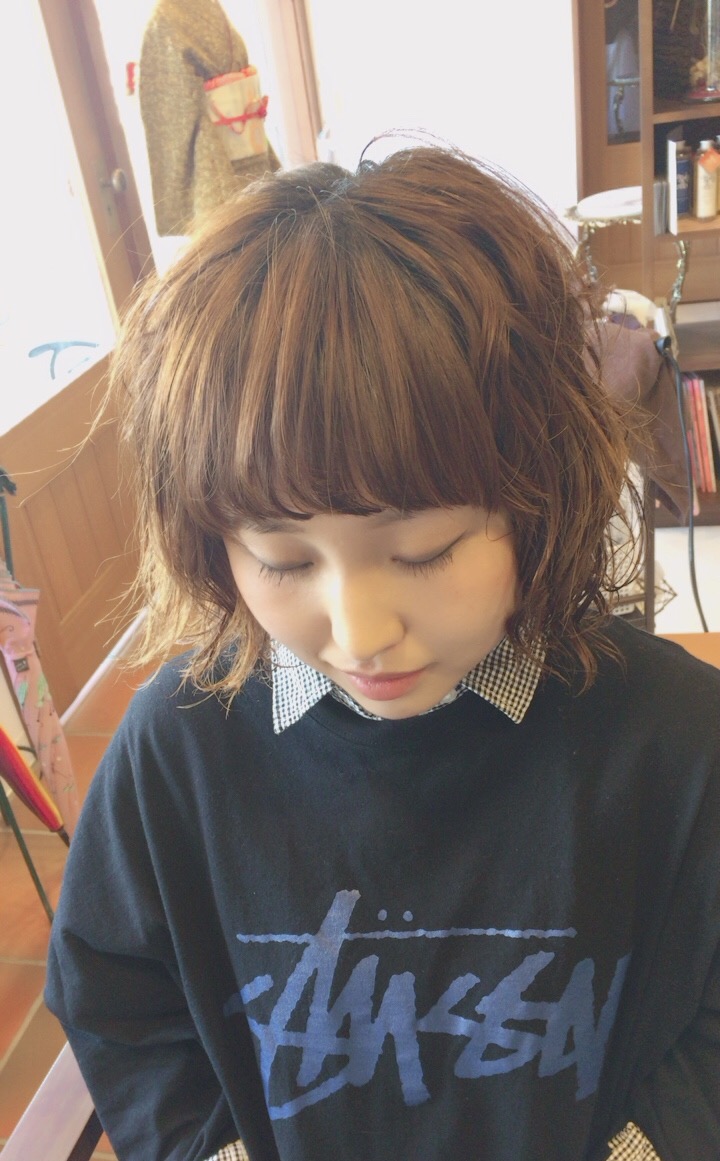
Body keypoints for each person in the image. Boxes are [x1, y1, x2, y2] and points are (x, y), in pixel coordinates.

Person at [44, 144, 720, 1161]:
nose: (360, 633)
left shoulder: (675, 737)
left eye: (424, 552)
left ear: (540, 497)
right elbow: (111, 989)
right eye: (283, 560)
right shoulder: (177, 751)